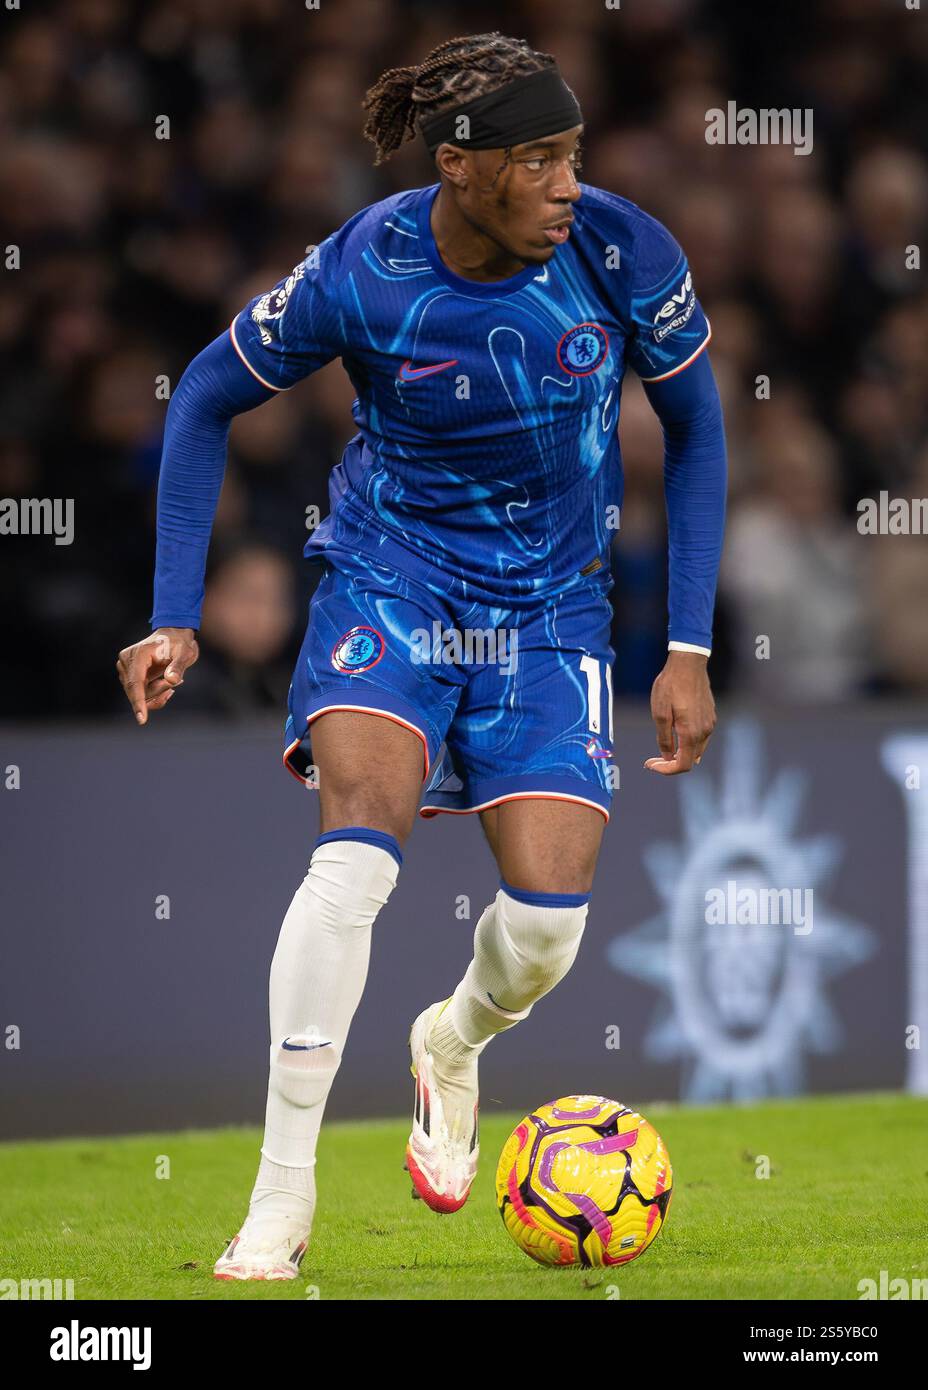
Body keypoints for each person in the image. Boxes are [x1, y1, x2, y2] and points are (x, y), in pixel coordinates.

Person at [115, 31, 726, 1280]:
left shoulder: (623, 251)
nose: (567, 185)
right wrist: (176, 612)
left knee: (546, 932)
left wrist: (686, 645)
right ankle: (281, 1200)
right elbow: (205, 396)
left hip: (551, 613)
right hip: (391, 584)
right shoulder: (364, 266)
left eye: (573, 155)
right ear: (459, 165)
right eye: (538, 160)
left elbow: (698, 427)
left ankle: (449, 1041)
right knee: (353, 859)